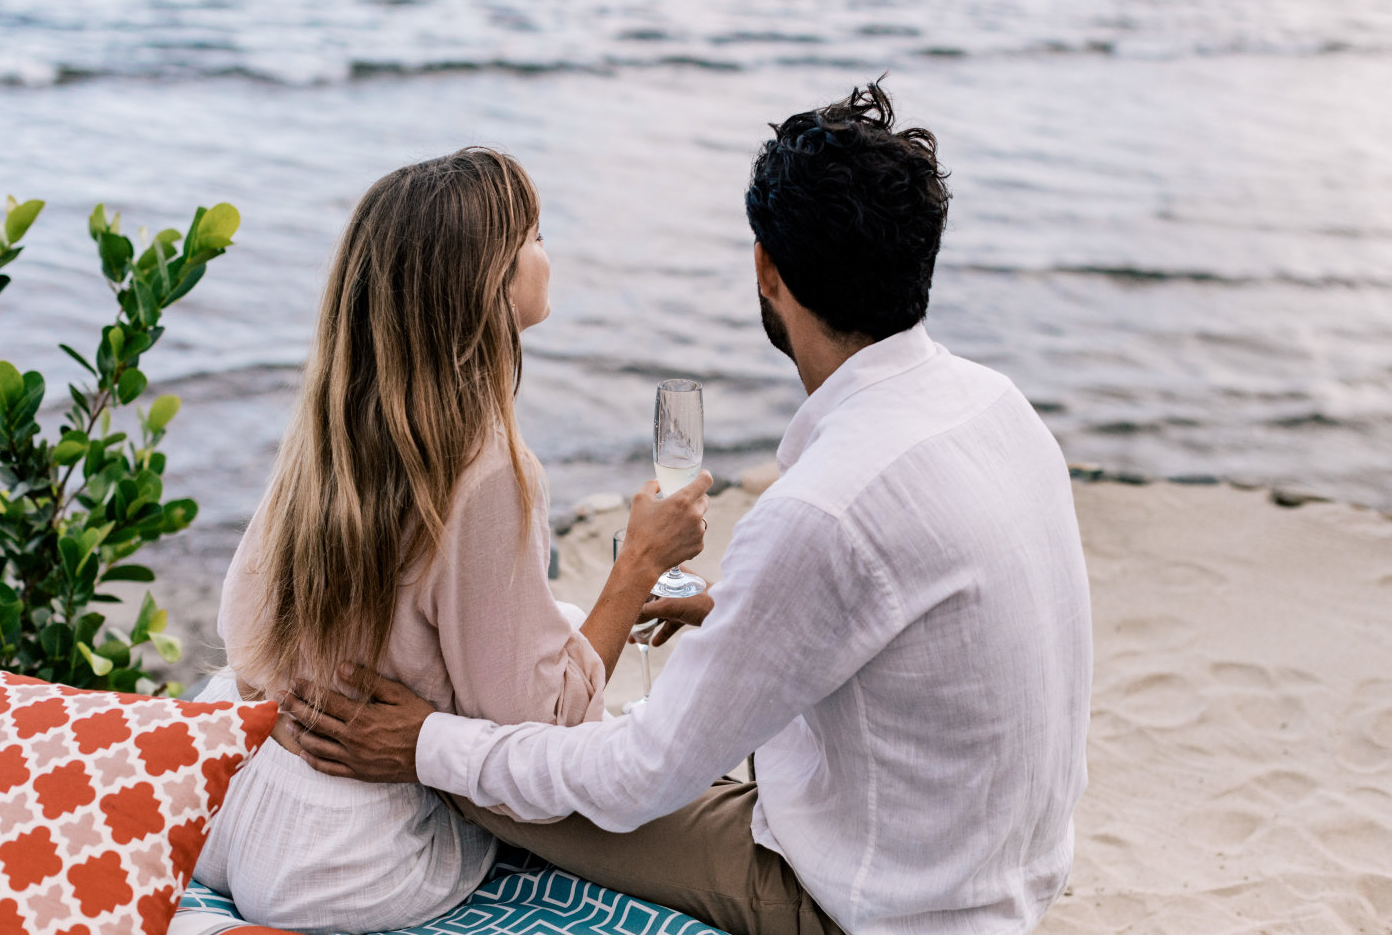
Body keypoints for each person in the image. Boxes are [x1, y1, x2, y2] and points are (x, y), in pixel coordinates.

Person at [282, 85, 1094, 935]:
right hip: (1002, 868)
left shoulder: (821, 509)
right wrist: (735, 609)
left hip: (879, 904)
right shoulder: (996, 405)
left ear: (765, 269)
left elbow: (636, 777)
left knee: (488, 765)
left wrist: (422, 742)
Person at [192, 148, 711, 934]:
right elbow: (541, 728)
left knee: (555, 622)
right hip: (357, 864)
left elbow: (245, 631)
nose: (547, 255)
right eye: (535, 237)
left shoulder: (332, 425)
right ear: (489, 285)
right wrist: (637, 565)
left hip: (237, 811)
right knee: (567, 737)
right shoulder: (487, 469)